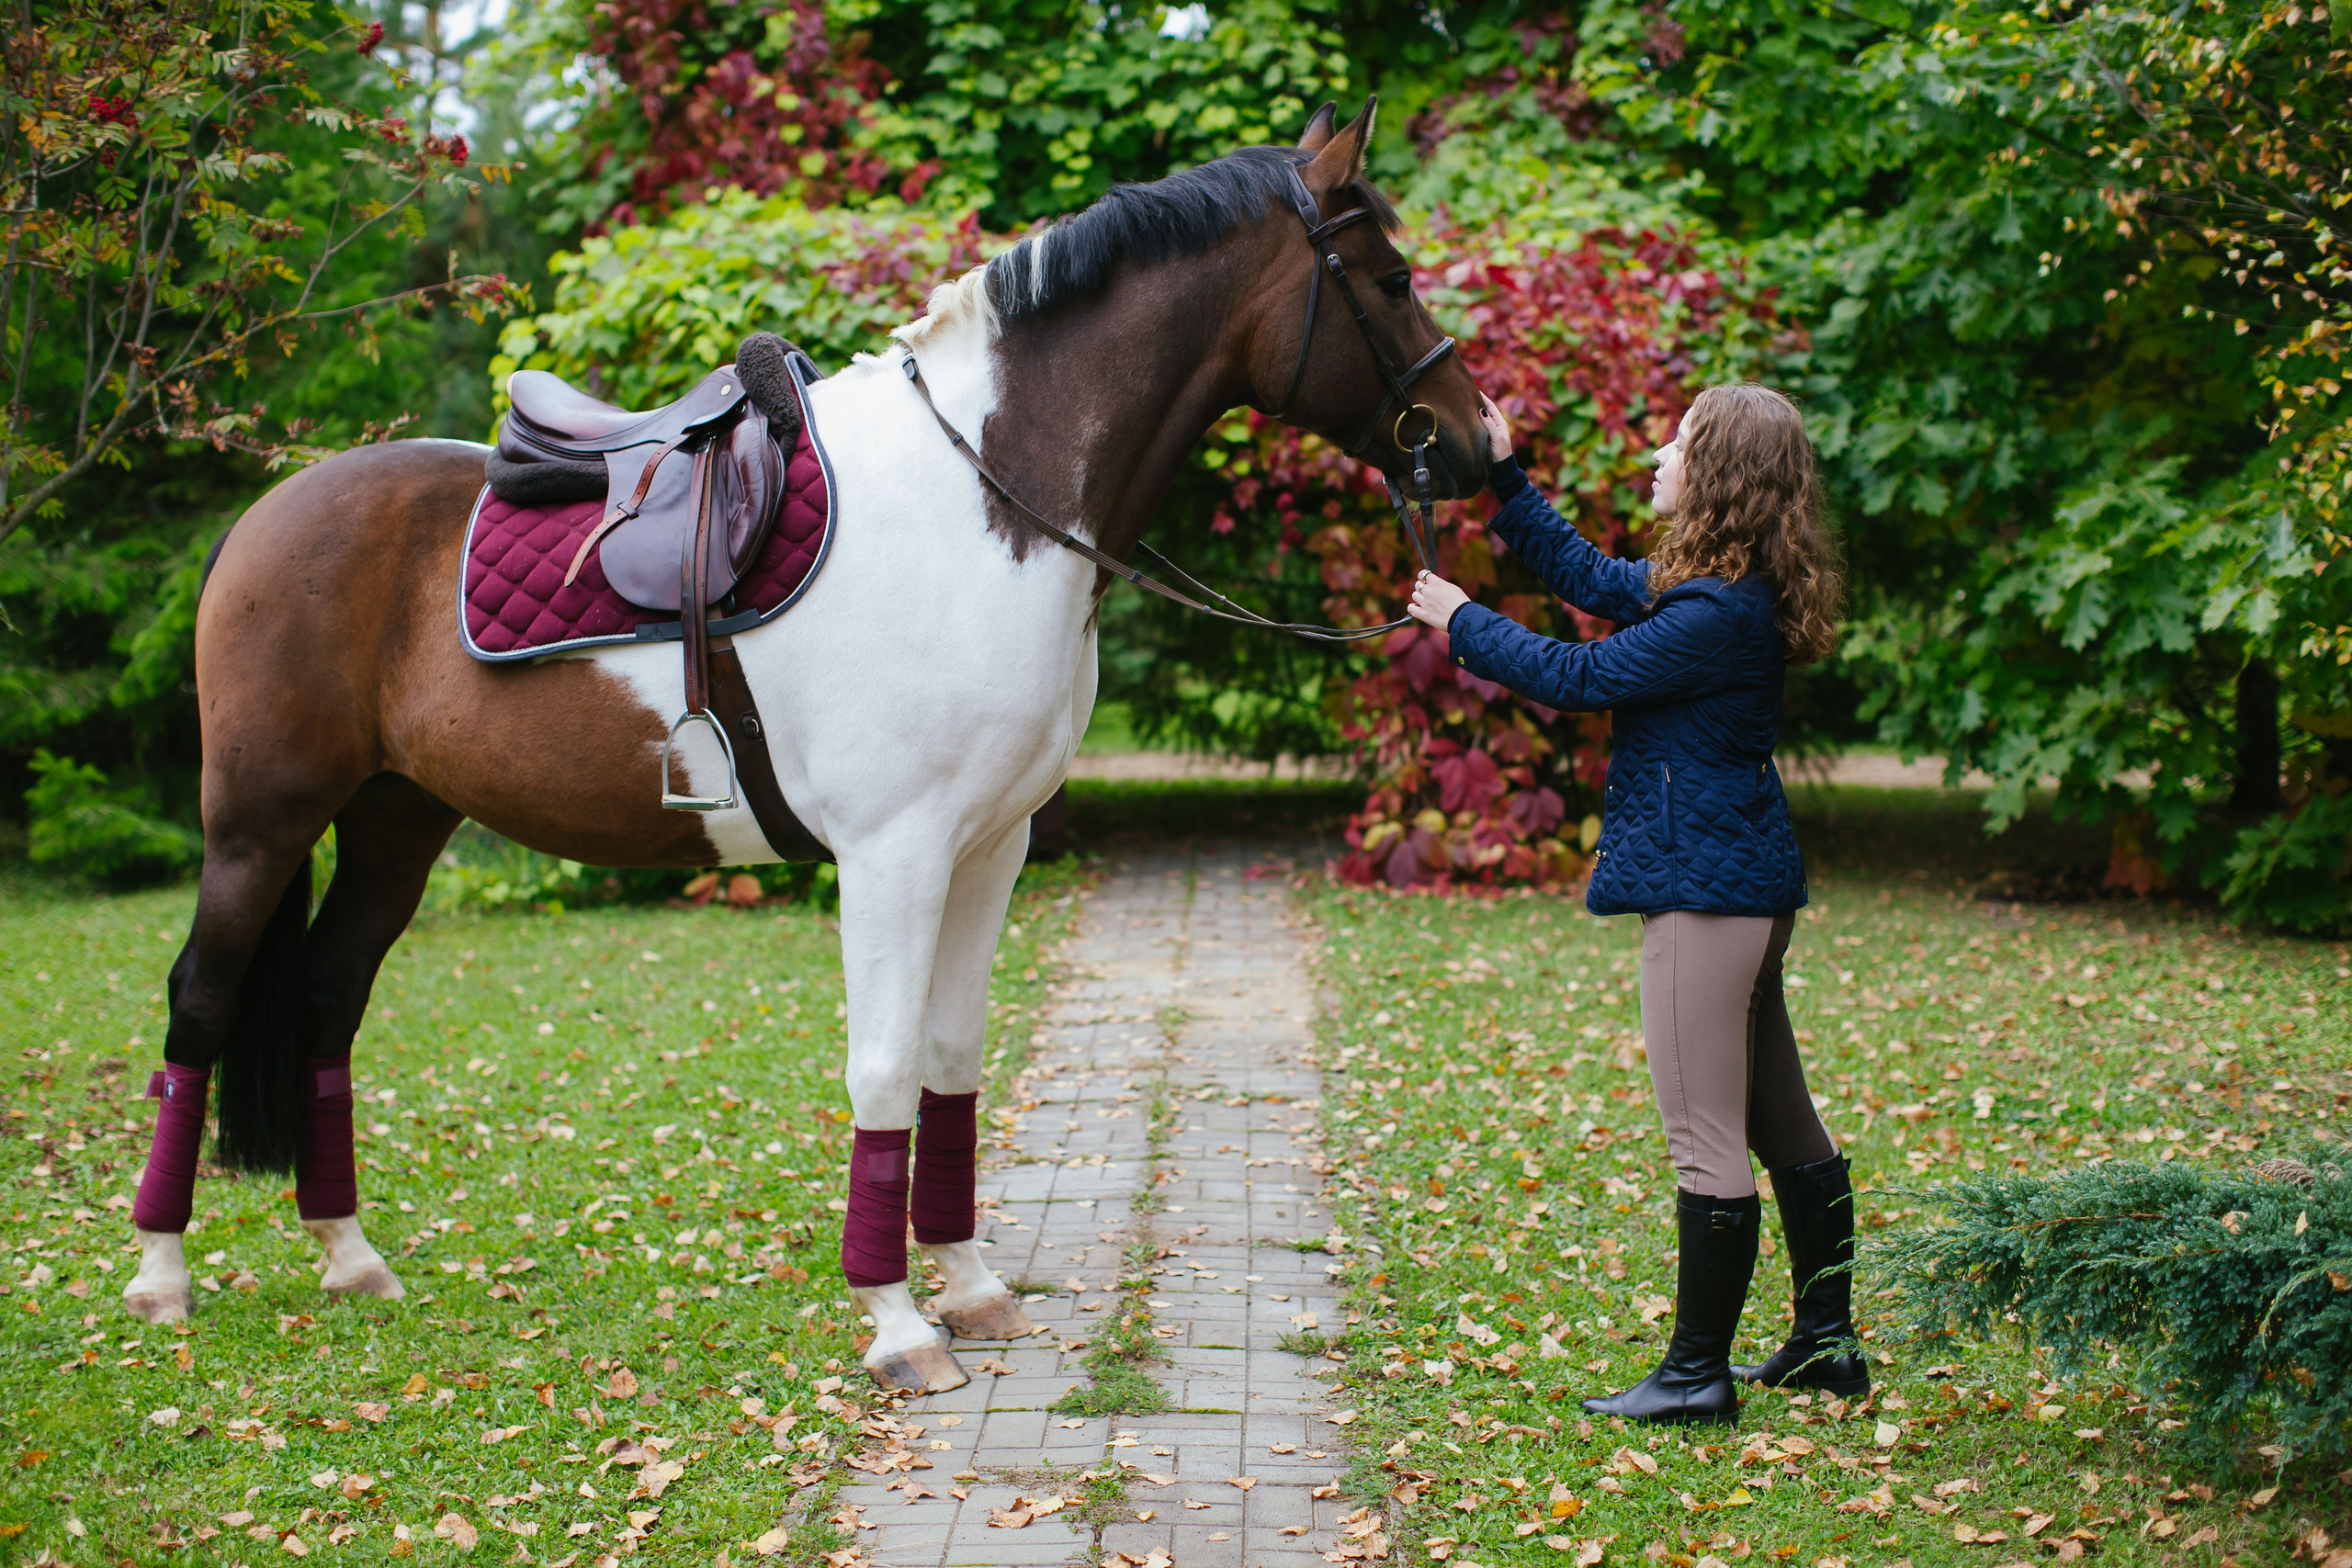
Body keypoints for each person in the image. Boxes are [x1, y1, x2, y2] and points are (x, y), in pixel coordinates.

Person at [1407, 385, 1861, 1426]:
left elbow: (1580, 674)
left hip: (1704, 898)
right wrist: (1507, 479)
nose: (1658, 456)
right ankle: (1825, 1345)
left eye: (1680, 444)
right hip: (1742, 885)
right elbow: (1591, 581)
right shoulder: (1714, 585)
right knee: (1785, 1123)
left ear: (1722, 475)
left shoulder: (1711, 610)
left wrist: (1462, 621)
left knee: (1704, 1135)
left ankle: (1697, 1375)